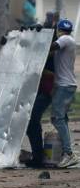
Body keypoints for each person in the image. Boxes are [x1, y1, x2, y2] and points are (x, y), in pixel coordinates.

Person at [25, 12, 59, 168]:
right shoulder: (40, 49)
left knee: (32, 121)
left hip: (47, 91)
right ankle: (37, 156)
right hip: (38, 89)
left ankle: (39, 158)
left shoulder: (52, 50)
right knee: (31, 122)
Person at [48, 19, 79, 168]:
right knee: (61, 119)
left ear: (59, 30)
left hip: (64, 86)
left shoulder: (65, 39)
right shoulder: (70, 39)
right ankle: (67, 150)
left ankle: (69, 153)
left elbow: (52, 46)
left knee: (57, 118)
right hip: (66, 85)